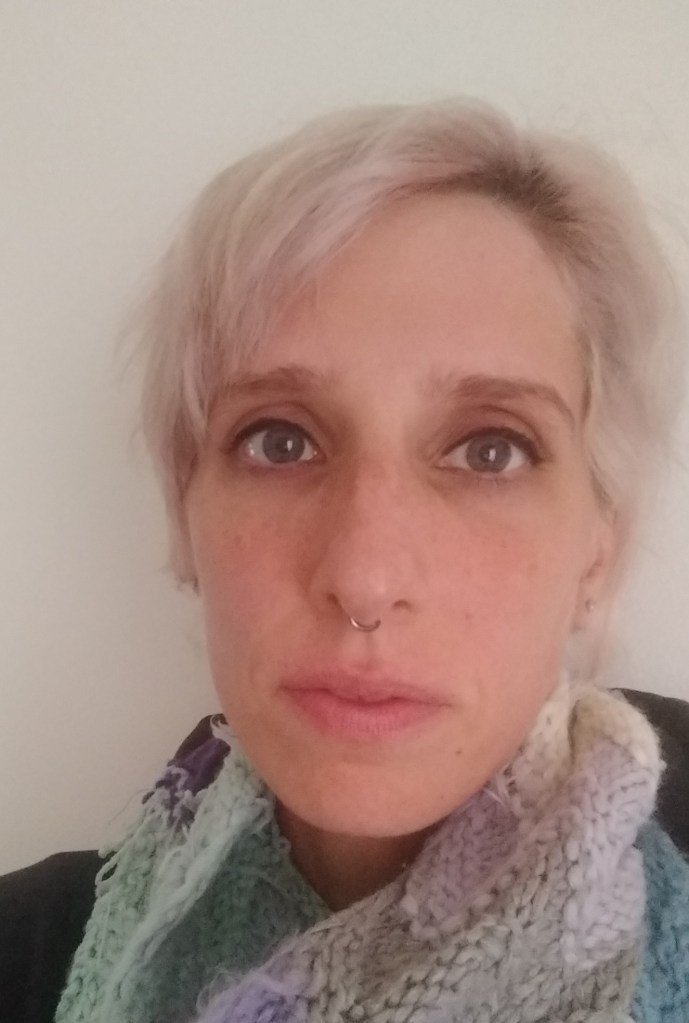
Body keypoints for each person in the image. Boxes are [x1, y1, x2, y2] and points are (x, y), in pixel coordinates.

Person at [2, 99, 689, 1023]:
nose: (365, 578)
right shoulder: (25, 955)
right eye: (279, 440)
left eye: (490, 449)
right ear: (184, 513)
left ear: (598, 547)